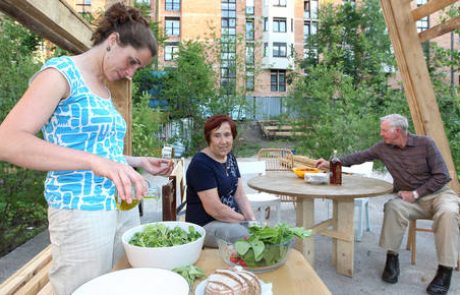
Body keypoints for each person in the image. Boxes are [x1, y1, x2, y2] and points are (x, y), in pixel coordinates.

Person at [0, 3, 172, 294]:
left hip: (119, 205)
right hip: (80, 210)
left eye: (137, 68)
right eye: (131, 62)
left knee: (122, 284)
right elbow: (8, 141)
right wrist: (95, 162)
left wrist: (136, 161)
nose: (131, 73)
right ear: (113, 41)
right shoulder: (60, 73)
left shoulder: (104, 89)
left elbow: (98, 151)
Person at [316, 114, 459, 295]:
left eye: (384, 130)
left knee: (449, 212)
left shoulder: (425, 144)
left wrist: (415, 193)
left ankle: (445, 271)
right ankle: (392, 259)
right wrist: (331, 163)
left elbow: (442, 176)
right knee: (393, 207)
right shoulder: (383, 148)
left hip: (438, 195)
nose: (381, 133)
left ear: (397, 131)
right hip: (410, 201)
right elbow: (359, 157)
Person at [185, 115, 256, 247]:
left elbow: (240, 194)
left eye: (227, 135)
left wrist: (252, 220)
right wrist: (244, 221)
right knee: (246, 236)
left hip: (229, 219)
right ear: (209, 138)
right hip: (205, 225)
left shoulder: (229, 157)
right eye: (217, 136)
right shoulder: (201, 164)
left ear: (232, 137)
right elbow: (215, 209)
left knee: (260, 232)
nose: (223, 141)